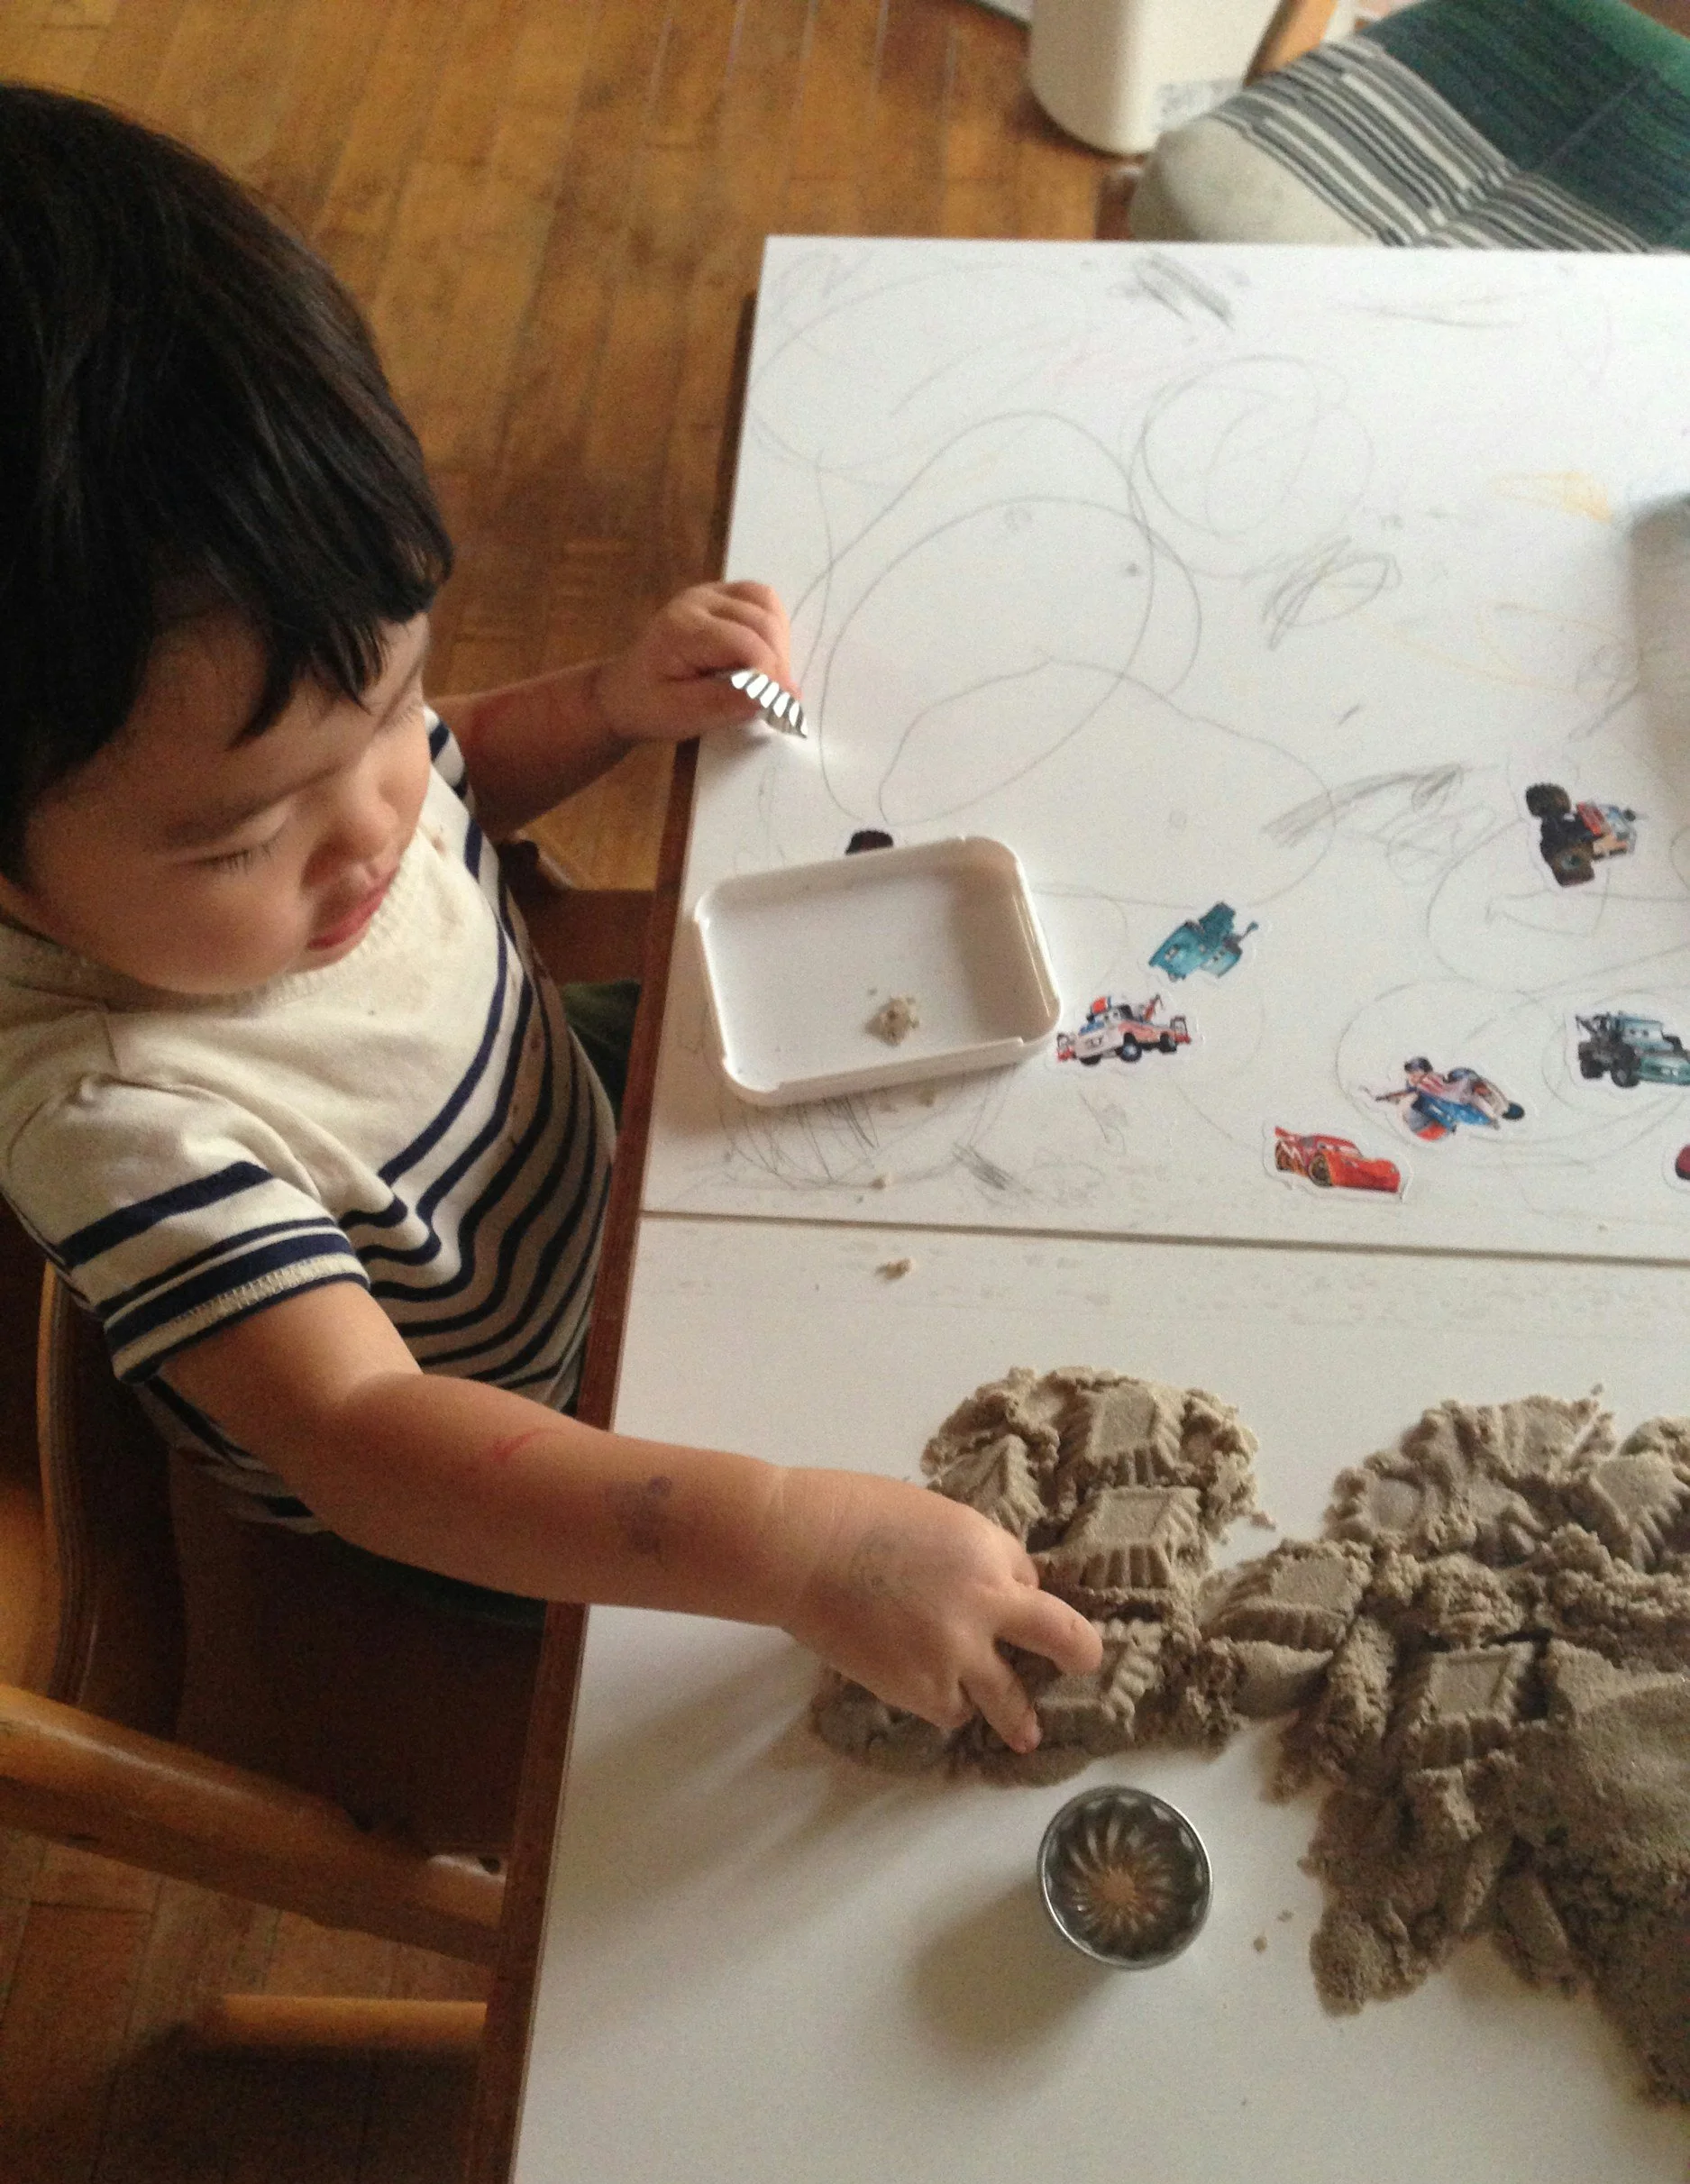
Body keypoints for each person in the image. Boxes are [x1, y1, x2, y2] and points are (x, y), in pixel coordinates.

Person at [0, 84, 1101, 1755]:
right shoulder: (121, 1119)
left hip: (566, 1147)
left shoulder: (246, 773)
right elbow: (367, 1436)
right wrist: (792, 1542)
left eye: (387, 701)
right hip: (511, 1465)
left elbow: (453, 786)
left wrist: (600, 700)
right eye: (246, 838)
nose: (373, 821)